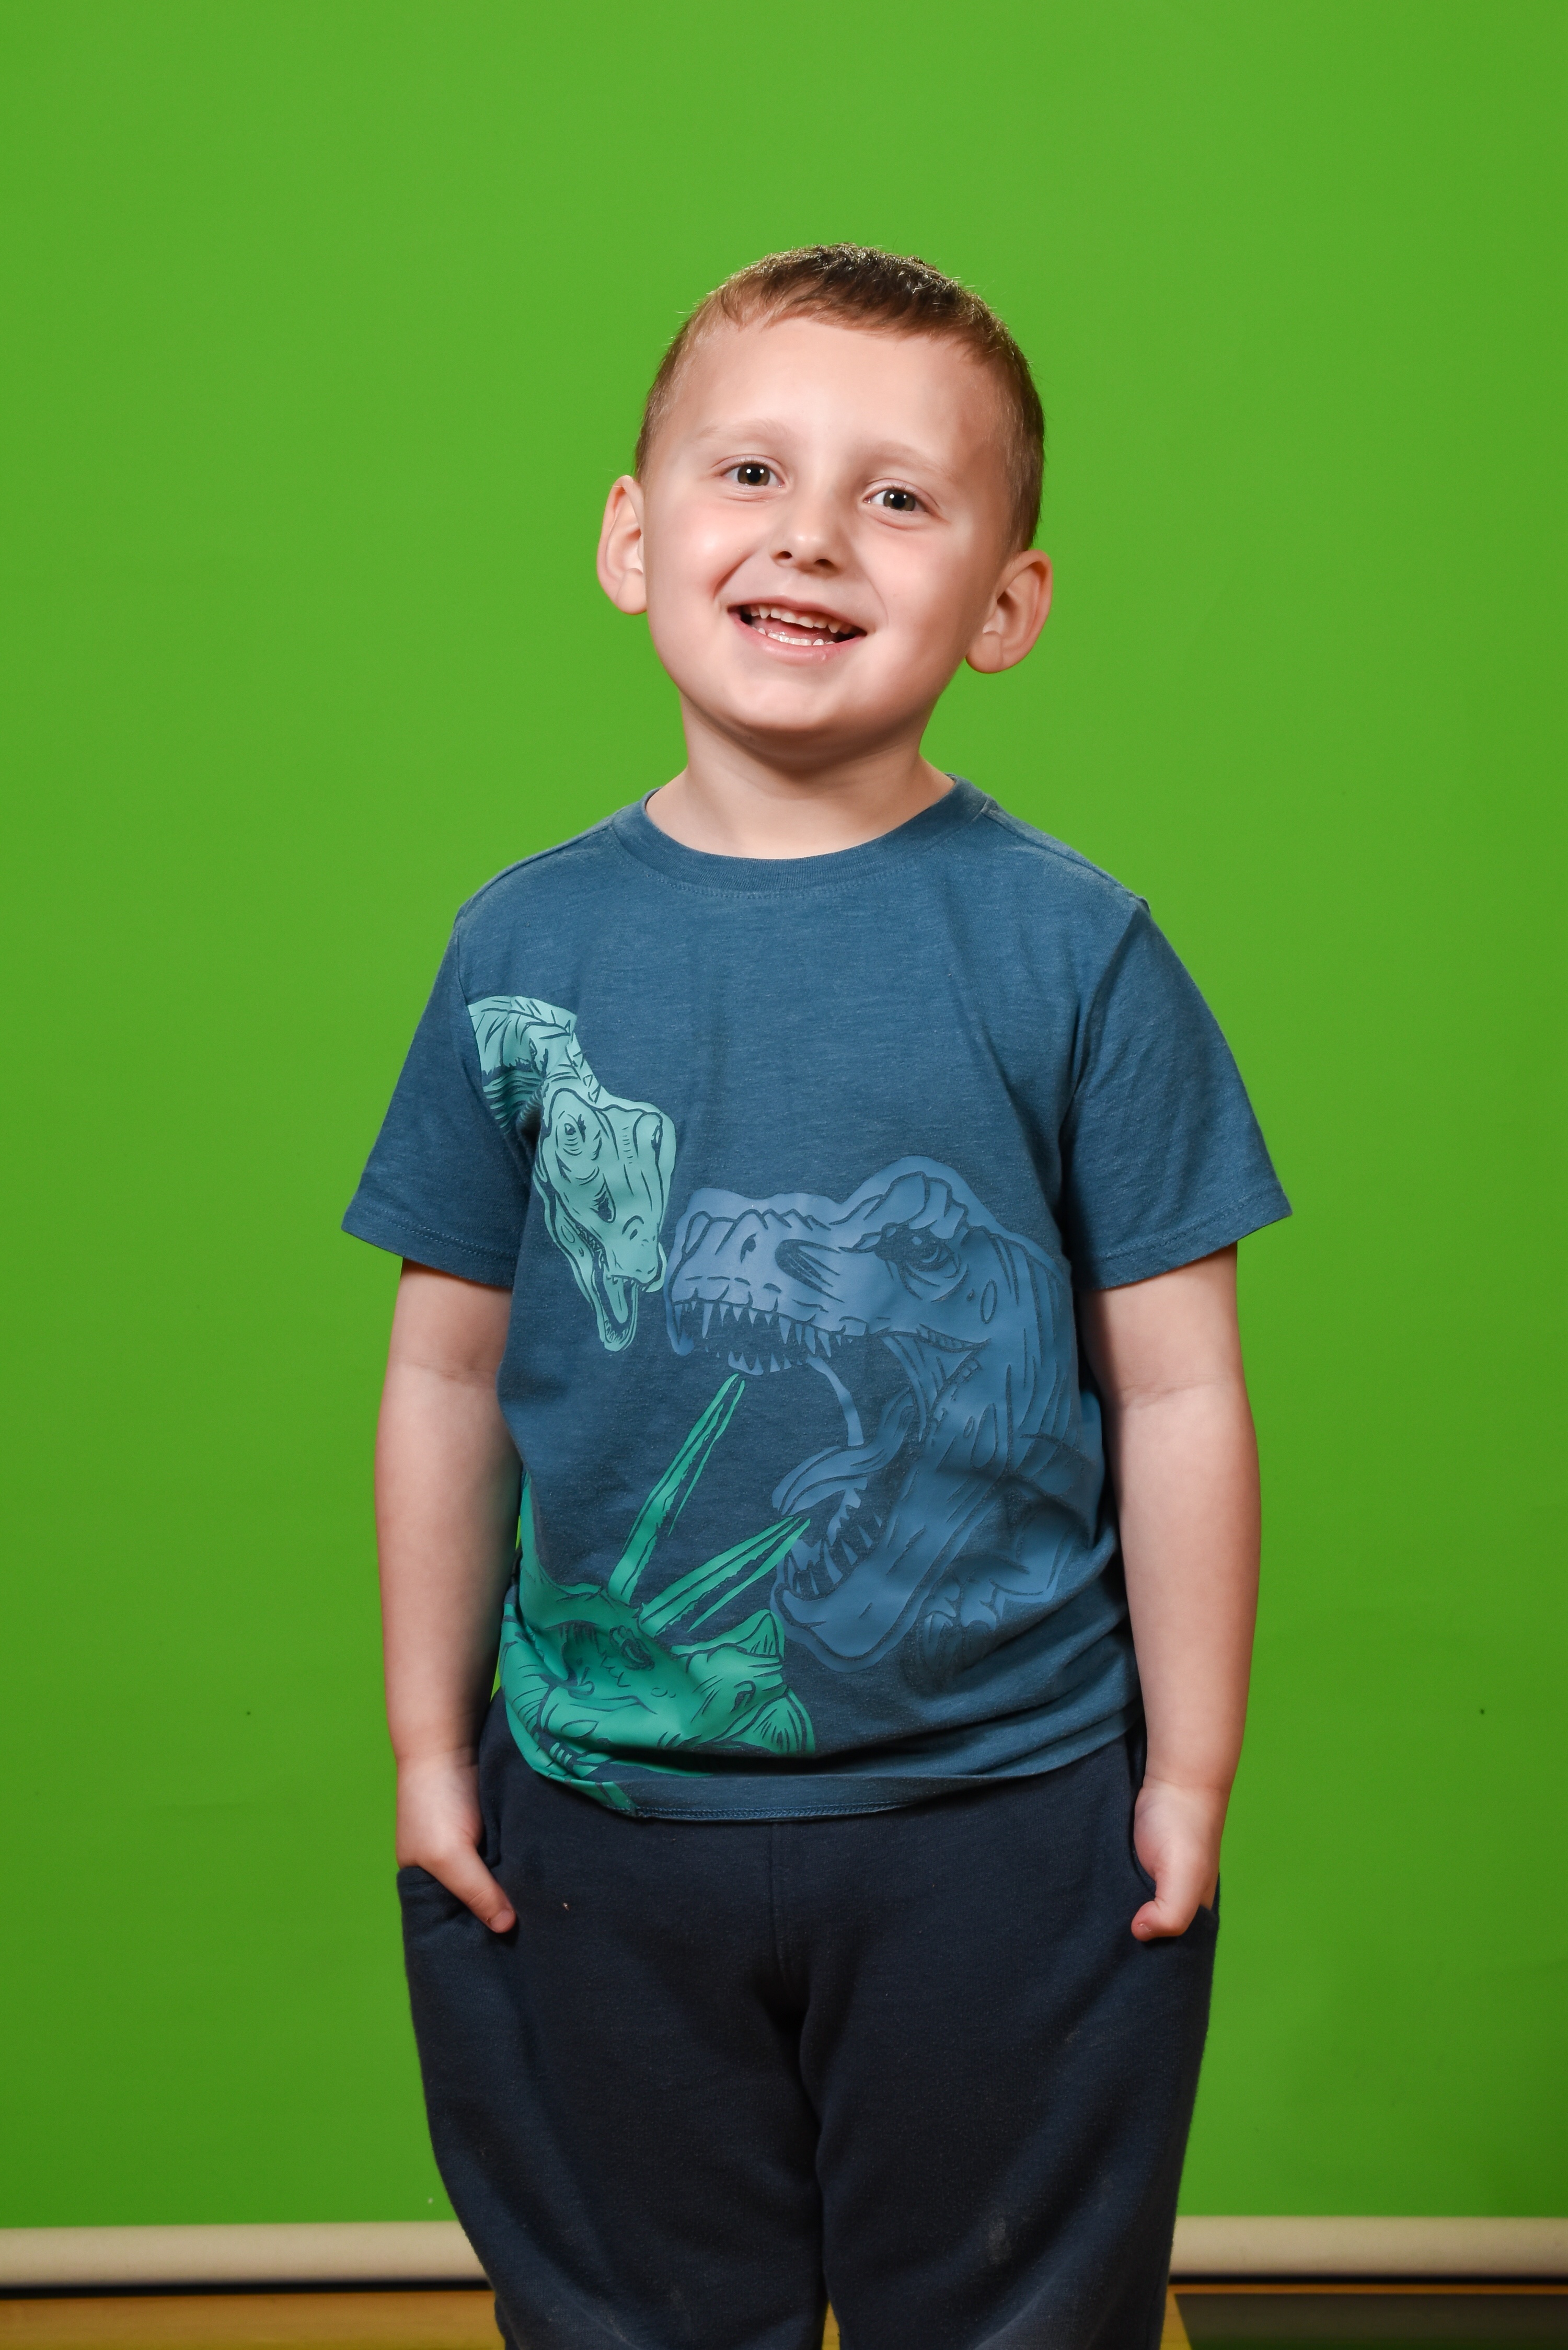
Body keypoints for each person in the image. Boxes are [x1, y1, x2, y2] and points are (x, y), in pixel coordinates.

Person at [344, 244, 1289, 2350]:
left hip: (1008, 1823)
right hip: (596, 1818)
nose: (809, 534)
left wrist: (1190, 1773)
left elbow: (1179, 1391)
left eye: (897, 495)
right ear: (633, 536)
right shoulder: (518, 951)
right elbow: (447, 1370)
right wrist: (427, 1740)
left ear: (1007, 604)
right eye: (753, 469)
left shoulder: (1081, 954)